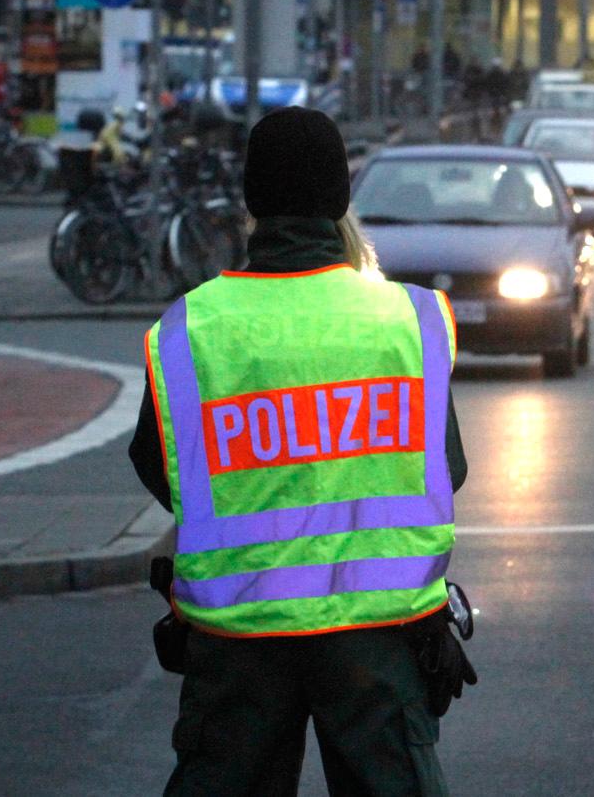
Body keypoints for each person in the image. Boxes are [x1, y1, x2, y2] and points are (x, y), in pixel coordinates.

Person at [130, 106, 469, 796]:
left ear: (251, 202)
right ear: (341, 198)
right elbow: (448, 469)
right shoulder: (409, 319)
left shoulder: (191, 327)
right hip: (379, 633)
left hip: (238, 633)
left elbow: (160, 467)